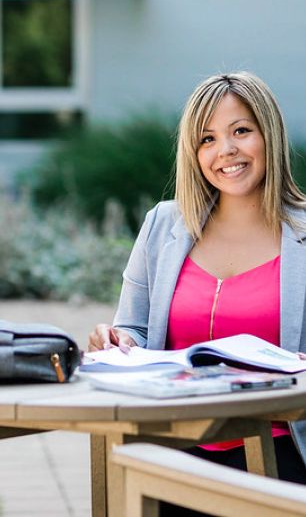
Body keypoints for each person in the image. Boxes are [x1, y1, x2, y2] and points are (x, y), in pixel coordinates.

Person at [88, 72, 306, 514]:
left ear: (270, 135)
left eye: (241, 131)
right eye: (207, 138)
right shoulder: (162, 224)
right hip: (173, 452)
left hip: (280, 457)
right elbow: (132, 327)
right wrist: (117, 341)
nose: (225, 150)